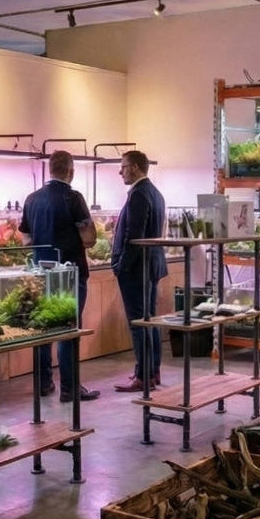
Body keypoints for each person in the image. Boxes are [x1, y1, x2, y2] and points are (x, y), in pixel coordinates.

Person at [18, 150, 101, 403]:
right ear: (71, 171)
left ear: (49, 170)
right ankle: (69, 387)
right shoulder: (73, 198)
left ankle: (43, 383)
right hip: (70, 273)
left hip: (41, 273)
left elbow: (25, 238)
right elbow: (89, 238)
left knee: (43, 328)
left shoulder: (32, 198)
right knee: (68, 328)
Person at [110, 150, 167, 392]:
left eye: (123, 166)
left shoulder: (138, 195)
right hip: (151, 266)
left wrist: (121, 266)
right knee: (149, 321)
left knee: (139, 323)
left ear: (134, 167)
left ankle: (143, 376)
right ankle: (152, 372)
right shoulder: (156, 193)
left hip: (136, 270)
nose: (120, 171)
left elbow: (134, 237)